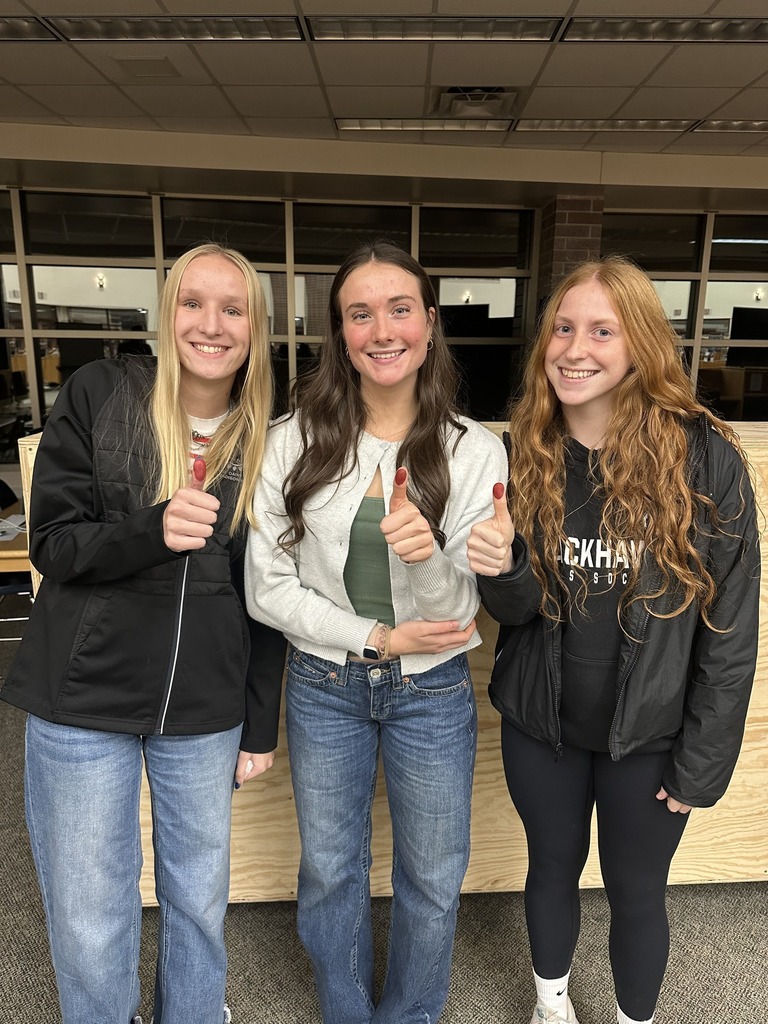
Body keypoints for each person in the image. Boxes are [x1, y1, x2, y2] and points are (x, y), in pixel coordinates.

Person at [467, 255, 760, 1024]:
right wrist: (502, 570)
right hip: (544, 729)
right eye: (562, 327)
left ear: (640, 345)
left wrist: (703, 764)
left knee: (637, 893)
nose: (575, 347)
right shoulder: (521, 449)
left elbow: (729, 634)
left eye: (602, 329)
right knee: (551, 870)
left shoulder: (705, 460)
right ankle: (551, 1006)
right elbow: (518, 608)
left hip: (653, 741)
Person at [1, 243, 286, 1024]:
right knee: (91, 907)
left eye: (234, 309)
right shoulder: (100, 393)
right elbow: (54, 543)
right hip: (81, 698)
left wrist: (260, 722)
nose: (212, 324)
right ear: (168, 313)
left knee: (197, 899)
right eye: (194, 302)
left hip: (202, 709)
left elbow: (270, 599)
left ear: (255, 329)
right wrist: (150, 531)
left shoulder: (271, 437)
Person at [245, 240, 508, 1024]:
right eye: (360, 313)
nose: (382, 329)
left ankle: (412, 1015)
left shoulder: (471, 448)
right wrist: (374, 637)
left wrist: (425, 554)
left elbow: (457, 612)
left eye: (400, 310)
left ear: (429, 324)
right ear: (340, 332)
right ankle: (347, 1012)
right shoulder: (293, 439)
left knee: (432, 874)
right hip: (327, 686)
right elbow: (267, 587)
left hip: (433, 693)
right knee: (330, 869)